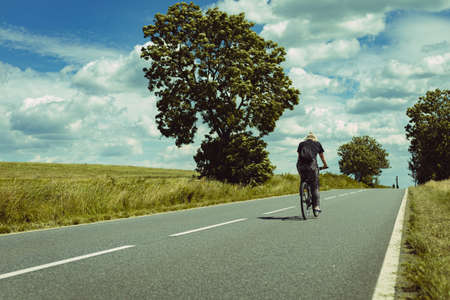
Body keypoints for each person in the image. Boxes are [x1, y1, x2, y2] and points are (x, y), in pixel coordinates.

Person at [297, 132, 328, 214]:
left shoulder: (301, 144)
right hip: (312, 166)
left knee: (302, 179)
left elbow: (299, 156)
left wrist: (299, 166)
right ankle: (316, 206)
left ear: (306, 138)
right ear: (314, 138)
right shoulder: (317, 143)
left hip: (301, 166)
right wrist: (325, 165)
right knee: (314, 186)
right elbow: (321, 156)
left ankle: (302, 194)